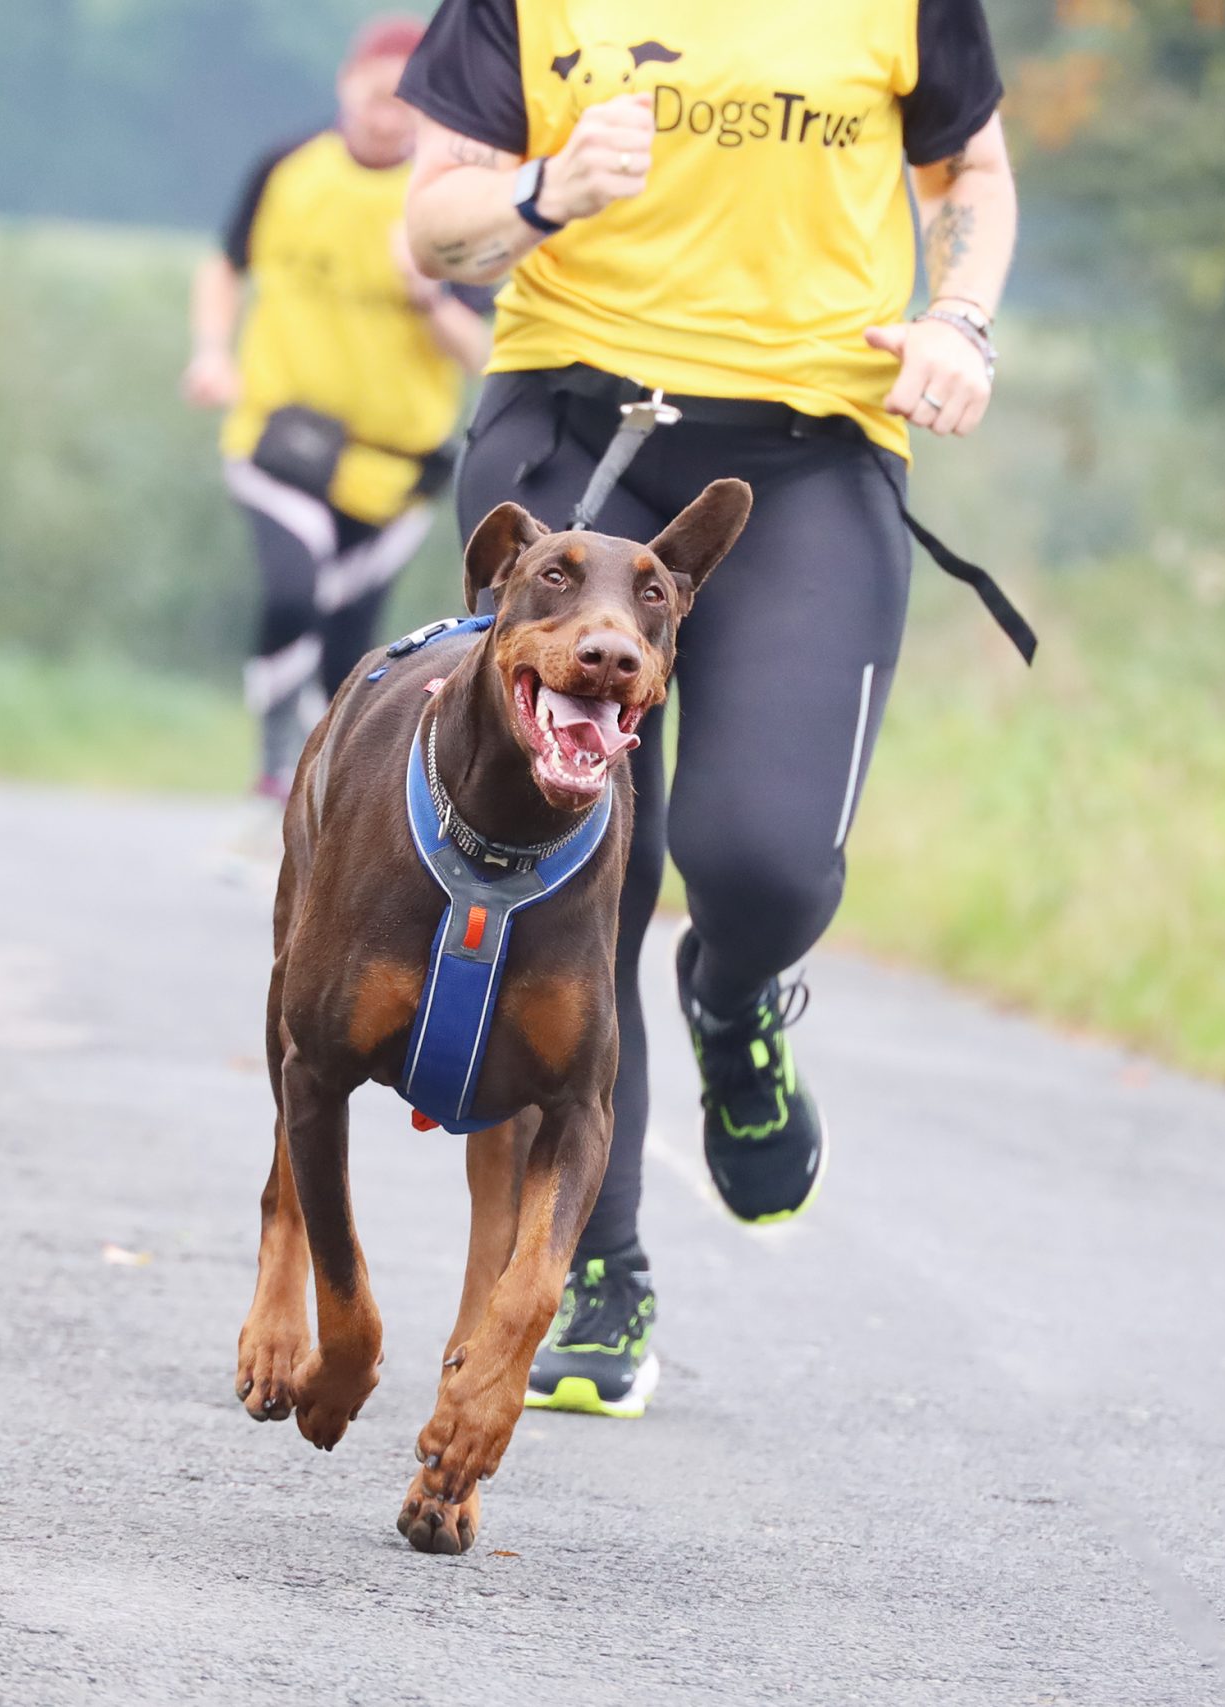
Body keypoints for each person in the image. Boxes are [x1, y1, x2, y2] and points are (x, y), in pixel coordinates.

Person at [398, 0, 1022, 1417]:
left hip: (809, 453)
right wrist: (543, 193)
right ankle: (593, 1265)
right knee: (567, 875)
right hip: (572, 429)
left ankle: (734, 1004)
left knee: (762, 858)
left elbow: (969, 169)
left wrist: (959, 320)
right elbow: (436, 220)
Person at [183, 15, 495, 798]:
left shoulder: (449, 199)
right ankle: (272, 757)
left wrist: (428, 296)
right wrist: (212, 352)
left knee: (352, 649)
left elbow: (486, 350)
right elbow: (224, 265)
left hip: (396, 467)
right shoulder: (287, 168)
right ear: (345, 87)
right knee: (292, 588)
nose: (386, 113)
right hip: (281, 439)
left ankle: (321, 791)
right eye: (372, 93)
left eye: (403, 99)